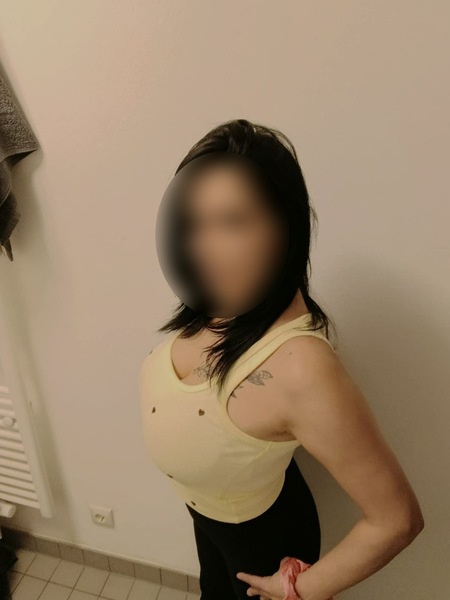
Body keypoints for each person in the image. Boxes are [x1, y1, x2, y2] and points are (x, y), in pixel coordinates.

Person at [139, 119, 424, 600]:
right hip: (212, 522)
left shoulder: (301, 368)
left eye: (233, 222)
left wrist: (300, 590)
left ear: (286, 228)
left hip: (264, 552)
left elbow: (398, 520)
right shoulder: (220, 302)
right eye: (194, 222)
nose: (202, 247)